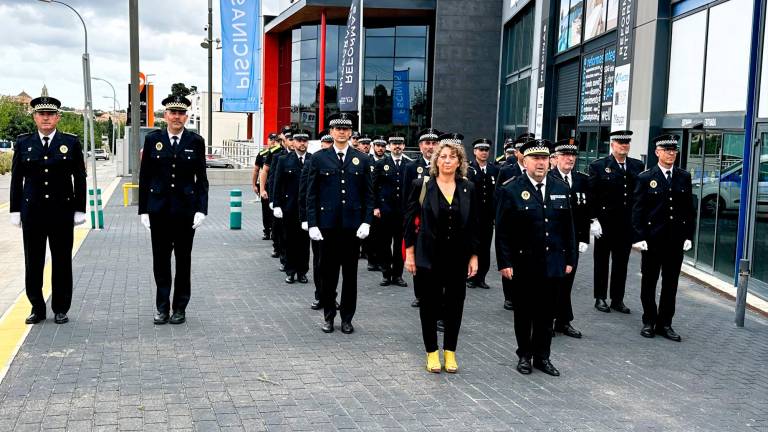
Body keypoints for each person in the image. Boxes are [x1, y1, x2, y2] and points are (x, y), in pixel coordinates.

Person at [496, 139, 576, 377]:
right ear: (525, 160)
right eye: (535, 158)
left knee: (546, 313)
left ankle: (543, 356)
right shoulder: (511, 189)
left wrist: (570, 259)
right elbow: (502, 231)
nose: (541, 163)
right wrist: (505, 262)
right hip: (523, 263)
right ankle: (524, 355)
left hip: (553, 263)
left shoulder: (560, 188)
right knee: (524, 312)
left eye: (544, 158)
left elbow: (567, 228)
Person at [404, 134, 479, 374]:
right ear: (436, 161)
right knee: (429, 305)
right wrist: (410, 254)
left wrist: (474, 255)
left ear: (460, 162)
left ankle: (450, 352)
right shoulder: (423, 186)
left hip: (458, 257)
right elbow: (410, 223)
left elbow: (474, 223)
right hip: (428, 256)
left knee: (455, 305)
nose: (447, 161)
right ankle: (432, 353)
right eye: (443, 157)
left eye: (453, 157)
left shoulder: (468, 188)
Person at [9, 94, 87, 325]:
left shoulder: (70, 142)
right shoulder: (23, 143)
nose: (46, 118)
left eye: (50, 114)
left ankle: (61, 308)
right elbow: (16, 179)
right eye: (42, 114)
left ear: (58, 118)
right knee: (33, 262)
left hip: (61, 212)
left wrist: (79, 209)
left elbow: (79, 178)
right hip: (33, 212)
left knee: (62, 261)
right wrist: (15, 210)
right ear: (35, 117)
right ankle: (37, 307)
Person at [138, 95, 209, 325]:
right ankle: (161, 307)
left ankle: (180, 307)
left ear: (186, 116)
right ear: (165, 115)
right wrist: (143, 210)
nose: (177, 116)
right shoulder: (153, 140)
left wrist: (202, 209)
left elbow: (202, 179)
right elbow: (145, 177)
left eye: (181, 113)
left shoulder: (195, 141)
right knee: (160, 262)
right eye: (172, 112)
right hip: (158, 211)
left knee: (183, 261)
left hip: (185, 212)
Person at [306, 113, 374, 334]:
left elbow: (368, 195)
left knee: (350, 276)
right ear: (331, 132)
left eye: (346, 129)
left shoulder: (362, 159)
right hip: (327, 228)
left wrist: (367, 221)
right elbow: (311, 194)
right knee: (328, 275)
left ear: (351, 132)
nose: (342, 132)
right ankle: (328, 316)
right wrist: (312, 223)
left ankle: (347, 318)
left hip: (352, 228)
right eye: (338, 129)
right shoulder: (318, 158)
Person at [631, 135, 695, 342]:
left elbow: (688, 209)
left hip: (675, 240)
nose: (671, 154)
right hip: (653, 240)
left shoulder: (683, 176)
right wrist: (639, 236)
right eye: (667, 150)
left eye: (674, 150)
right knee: (649, 282)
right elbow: (638, 210)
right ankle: (649, 321)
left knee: (671, 284)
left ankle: (665, 323)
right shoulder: (645, 177)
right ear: (657, 152)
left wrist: (688, 235)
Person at [588, 130, 644, 314]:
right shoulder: (599, 166)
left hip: (626, 224)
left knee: (622, 263)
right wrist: (593, 220)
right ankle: (600, 297)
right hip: (605, 223)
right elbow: (592, 195)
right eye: (620, 143)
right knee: (602, 261)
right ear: (613, 145)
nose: (624, 146)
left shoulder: (637, 165)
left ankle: (617, 299)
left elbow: (638, 196)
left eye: (626, 143)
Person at [549, 140, 591, 338]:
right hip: (553, 240)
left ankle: (564, 321)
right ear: (555, 158)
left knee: (567, 282)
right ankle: (547, 321)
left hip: (572, 242)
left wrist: (584, 238)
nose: (570, 159)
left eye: (573, 155)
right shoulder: (549, 179)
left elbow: (584, 212)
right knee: (552, 282)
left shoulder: (582, 180)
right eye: (565, 155)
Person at [403, 127, 440, 308]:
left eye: (434, 143)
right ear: (420, 146)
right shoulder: (411, 167)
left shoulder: (443, 166)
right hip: (419, 222)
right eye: (427, 143)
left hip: (438, 222)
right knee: (419, 259)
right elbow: (406, 196)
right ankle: (420, 294)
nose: (430, 147)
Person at [496, 134, 531, 311]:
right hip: (511, 221)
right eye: (521, 151)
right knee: (509, 257)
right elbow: (499, 195)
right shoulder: (507, 169)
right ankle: (509, 296)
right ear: (517, 152)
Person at [273, 129, 312, 284]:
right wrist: (276, 204)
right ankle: (290, 271)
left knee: (304, 242)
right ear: (293, 142)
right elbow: (277, 183)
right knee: (289, 240)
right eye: (299, 141)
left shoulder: (312, 159)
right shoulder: (284, 160)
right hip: (289, 207)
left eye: (305, 141)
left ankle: (302, 271)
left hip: (307, 208)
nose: (302, 144)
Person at [302, 131, 334, 310]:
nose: (328, 146)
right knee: (319, 262)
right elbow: (305, 193)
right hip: (319, 221)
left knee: (333, 265)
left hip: (334, 222)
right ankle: (320, 294)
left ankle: (330, 296)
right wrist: (306, 219)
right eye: (326, 143)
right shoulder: (313, 161)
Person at [373, 132, 409, 287]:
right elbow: (373, 187)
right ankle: (386, 274)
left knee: (400, 245)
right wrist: (375, 207)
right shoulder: (381, 163)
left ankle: (398, 275)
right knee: (384, 244)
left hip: (402, 212)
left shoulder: (409, 164)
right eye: (394, 144)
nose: (397, 146)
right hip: (385, 211)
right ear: (389, 146)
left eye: (400, 143)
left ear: (404, 146)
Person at [466, 138, 498, 290]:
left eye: (486, 150)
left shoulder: (494, 170)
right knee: (473, 247)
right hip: (473, 216)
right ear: (475, 152)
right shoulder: (469, 169)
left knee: (485, 248)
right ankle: (471, 277)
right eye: (481, 150)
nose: (484, 153)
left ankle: (481, 278)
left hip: (487, 217)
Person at [254, 133, 277, 240]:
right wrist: (254, 185)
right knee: (266, 209)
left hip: (275, 185)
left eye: (274, 139)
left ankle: (274, 230)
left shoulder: (279, 152)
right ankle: (267, 230)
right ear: (267, 140)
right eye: (271, 139)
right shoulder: (262, 154)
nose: (273, 141)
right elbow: (256, 170)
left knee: (274, 209)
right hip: (264, 185)